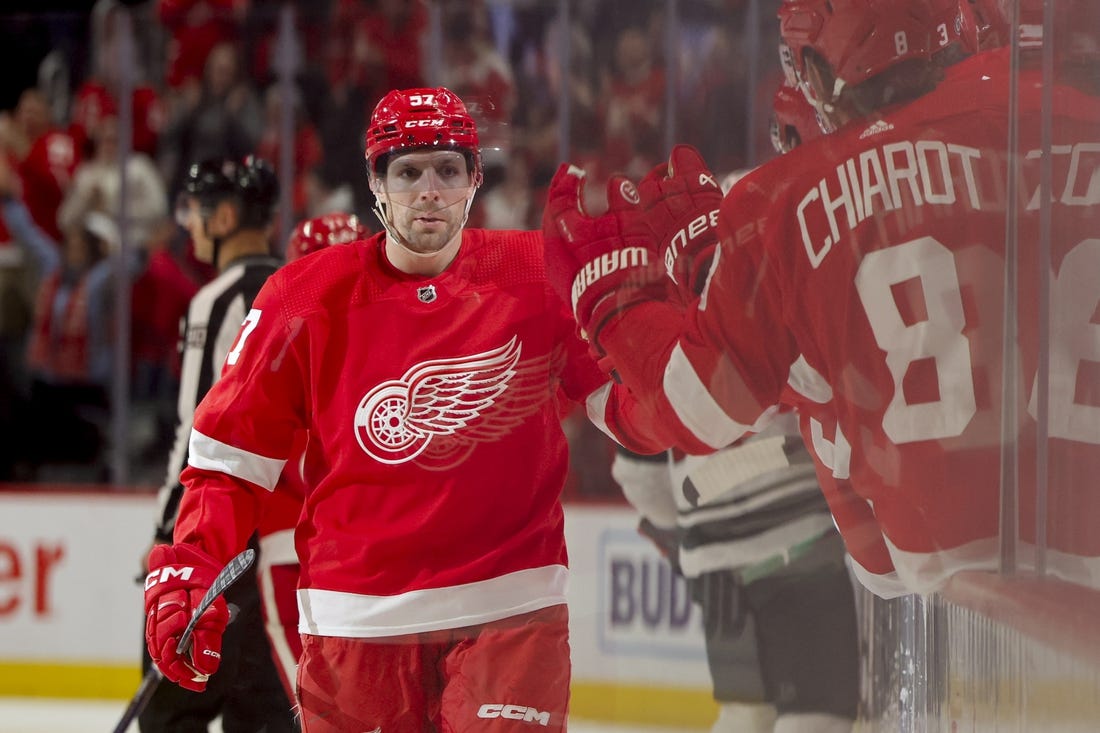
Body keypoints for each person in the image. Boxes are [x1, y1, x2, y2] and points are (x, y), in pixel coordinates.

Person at [540, 0, 1100, 601]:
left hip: (934, 577)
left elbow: (703, 404)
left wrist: (617, 308)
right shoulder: (1025, 139)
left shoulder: (784, 197)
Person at [142, 87, 661, 733]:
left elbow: (637, 415)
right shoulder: (300, 298)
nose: (429, 190)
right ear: (376, 184)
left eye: (447, 169)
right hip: (353, 627)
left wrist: (654, 329)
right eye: (408, 171)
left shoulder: (540, 273)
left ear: (474, 179)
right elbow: (228, 462)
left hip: (511, 613)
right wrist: (190, 562)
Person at [610, 83, 860, 733]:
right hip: (794, 534)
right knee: (818, 713)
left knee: (745, 710)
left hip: (708, 550)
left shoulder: (672, 252)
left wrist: (692, 512)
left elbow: (638, 461)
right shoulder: (801, 213)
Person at [143, 154, 296, 733]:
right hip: (281, 542)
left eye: (197, 211)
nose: (190, 224)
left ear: (226, 216)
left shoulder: (215, 300)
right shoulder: (297, 289)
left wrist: (166, 533)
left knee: (173, 709)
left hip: (220, 537)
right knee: (261, 711)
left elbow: (197, 431)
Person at [256, 210, 369, 703]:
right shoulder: (400, 335)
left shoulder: (273, 341)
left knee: (323, 708)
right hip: (351, 551)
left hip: (305, 547)